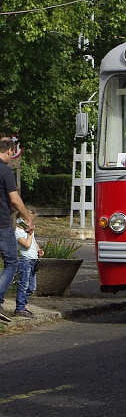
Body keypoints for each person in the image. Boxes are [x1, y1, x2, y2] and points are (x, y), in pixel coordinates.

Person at [0, 136, 35, 323]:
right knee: (11, 262)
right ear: (9, 151)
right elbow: (14, 199)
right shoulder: (5, 171)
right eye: (12, 154)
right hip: (2, 224)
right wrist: (28, 218)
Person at [14, 209, 43, 319]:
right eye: (27, 220)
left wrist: (38, 250)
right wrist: (30, 234)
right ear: (21, 219)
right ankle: (20, 308)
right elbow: (26, 244)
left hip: (33, 259)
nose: (29, 223)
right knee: (24, 285)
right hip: (25, 260)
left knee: (31, 287)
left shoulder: (29, 231)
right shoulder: (18, 232)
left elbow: (33, 242)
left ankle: (23, 305)